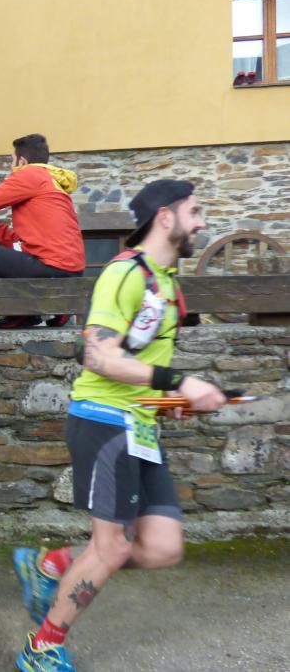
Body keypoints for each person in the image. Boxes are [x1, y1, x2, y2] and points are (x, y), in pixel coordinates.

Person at [12, 180, 227, 672]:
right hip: (104, 422)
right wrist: (180, 380)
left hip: (140, 425)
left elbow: (138, 362)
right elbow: (100, 356)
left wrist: (173, 399)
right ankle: (42, 647)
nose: (202, 221)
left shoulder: (167, 281)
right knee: (110, 548)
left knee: (163, 548)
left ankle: (50, 565)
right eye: (194, 212)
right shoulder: (125, 274)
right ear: (165, 217)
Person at [0, 133, 84, 327]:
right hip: (68, 269)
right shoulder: (50, 182)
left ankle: (19, 312)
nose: (11, 168)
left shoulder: (29, 175)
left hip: (51, 267)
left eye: (12, 162)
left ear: (22, 161)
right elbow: (24, 244)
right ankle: (27, 313)